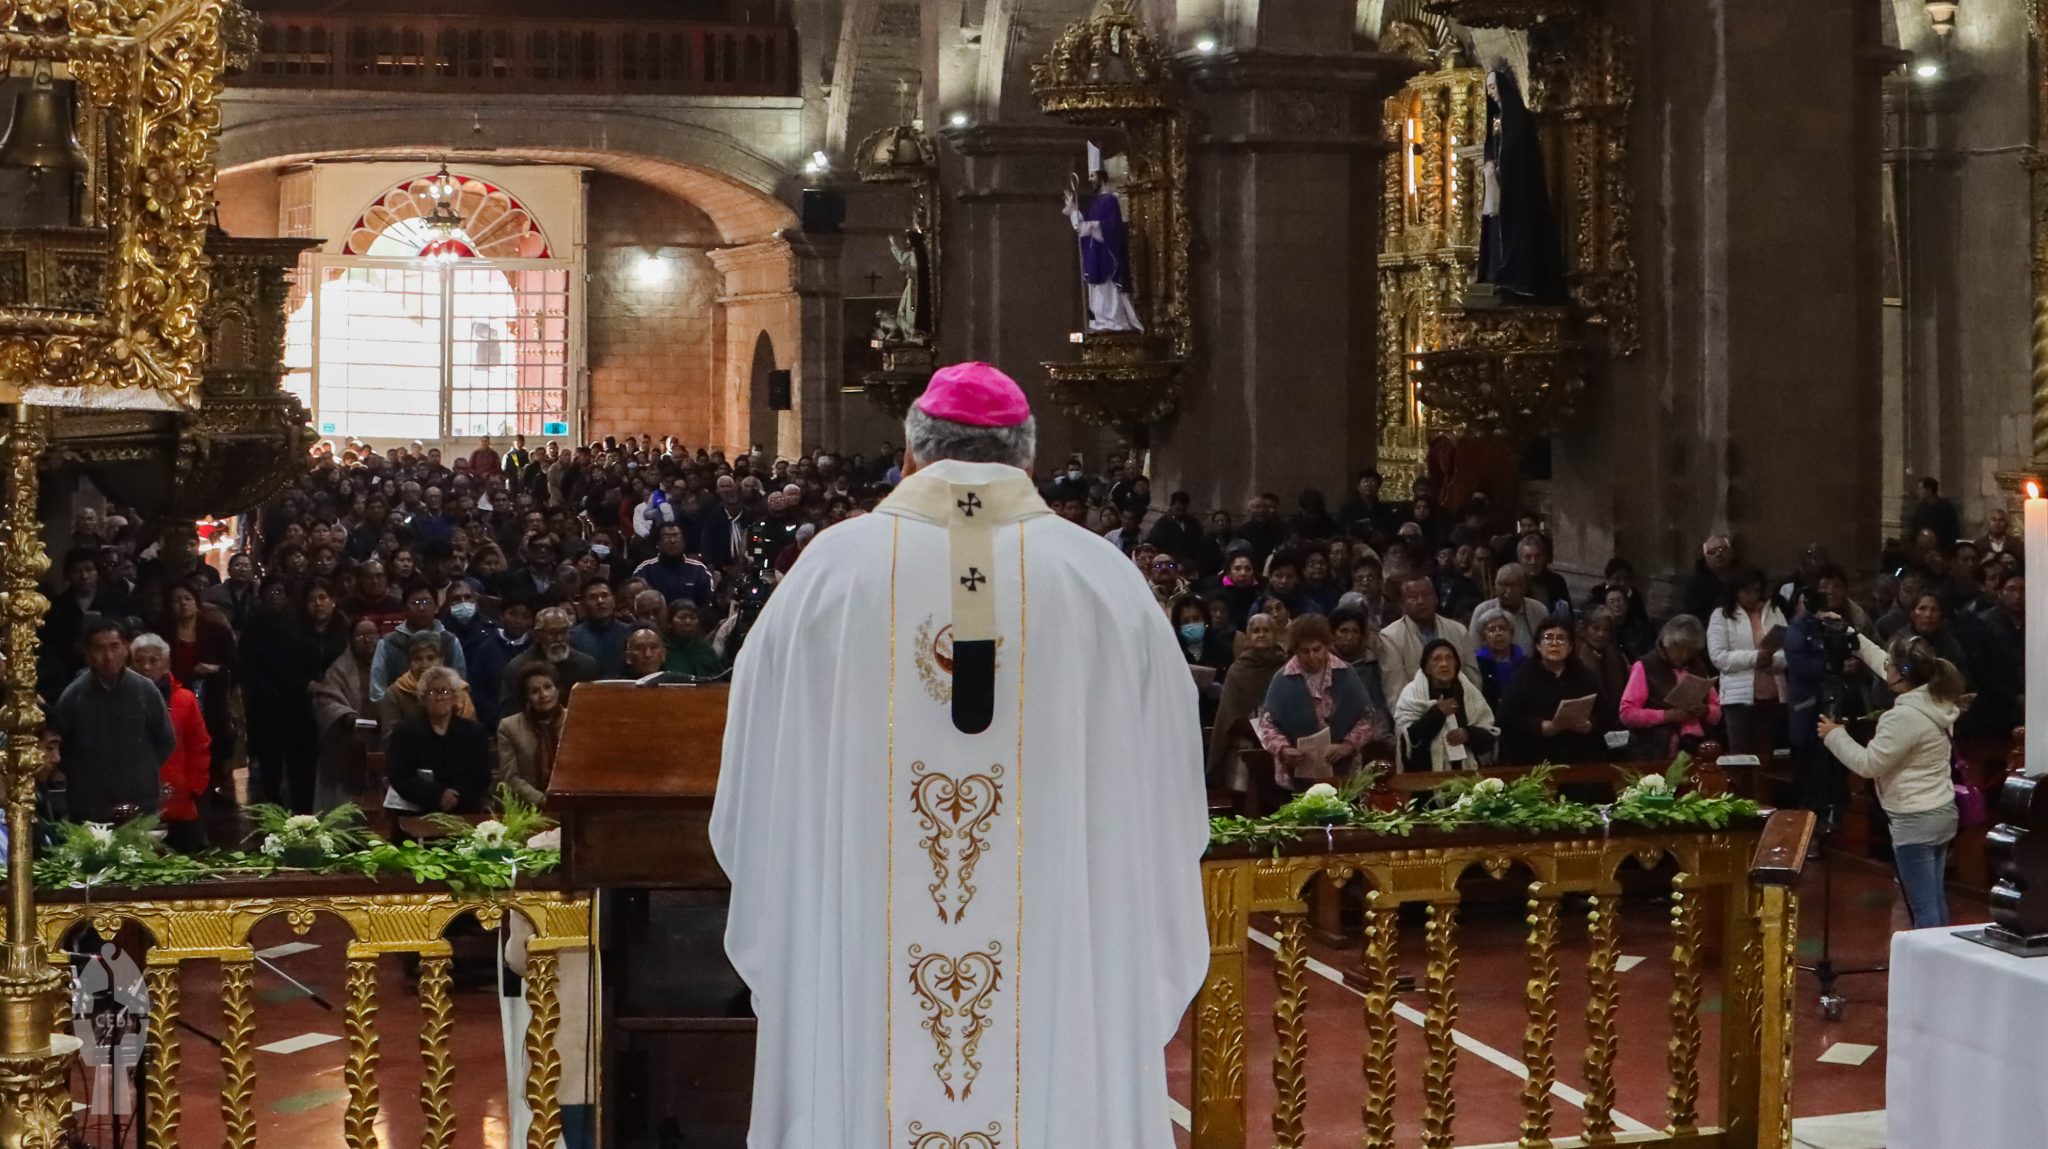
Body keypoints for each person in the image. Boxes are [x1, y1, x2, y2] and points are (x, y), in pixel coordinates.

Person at [711, 361, 1206, 1149]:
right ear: (1029, 461)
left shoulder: (828, 575)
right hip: (1057, 951)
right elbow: (1171, 797)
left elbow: (754, 789)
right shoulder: (1103, 580)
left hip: (864, 960)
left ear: (910, 456)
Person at [1819, 634, 1964, 928]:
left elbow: (1868, 765)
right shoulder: (1937, 698)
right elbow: (1891, 663)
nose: (1886, 668)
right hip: (1942, 812)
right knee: (1935, 898)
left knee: (1923, 906)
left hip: (1914, 820)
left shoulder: (1902, 717)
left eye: (1891, 666)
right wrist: (1854, 638)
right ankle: (1942, 966)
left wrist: (1834, 735)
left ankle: (1928, 972)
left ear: (1898, 673)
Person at [50, 620, 175, 824]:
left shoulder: (146, 690)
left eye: (114, 647)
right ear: (88, 653)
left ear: (126, 648)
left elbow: (165, 740)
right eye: (99, 649)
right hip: (89, 803)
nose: (108, 656)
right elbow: (61, 746)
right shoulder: (74, 695)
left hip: (140, 799)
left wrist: (140, 767)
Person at [1254, 615, 1378, 793]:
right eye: (1305, 651)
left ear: (1327, 646)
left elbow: (1368, 718)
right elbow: (1266, 726)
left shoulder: (1345, 673)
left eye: (1317, 649)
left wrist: (1347, 745)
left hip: (1342, 773)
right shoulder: (1283, 679)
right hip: (1297, 775)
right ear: (1295, 651)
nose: (1312, 656)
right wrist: (1283, 749)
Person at [126, 634, 210, 852]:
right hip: (136, 801)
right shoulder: (120, 701)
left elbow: (199, 745)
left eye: (153, 661)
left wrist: (193, 786)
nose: (146, 667)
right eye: (139, 661)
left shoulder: (185, 700)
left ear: (166, 665)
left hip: (179, 800)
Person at [385, 665, 492, 817]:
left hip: (464, 811)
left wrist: (454, 797)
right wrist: (437, 795)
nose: (439, 697)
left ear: (455, 697)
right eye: (432, 692)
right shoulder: (405, 732)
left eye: (445, 692)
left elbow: (482, 776)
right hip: (417, 812)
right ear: (423, 698)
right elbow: (400, 776)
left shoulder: (475, 732)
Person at [1707, 567, 1789, 761]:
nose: (1753, 596)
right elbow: (1718, 656)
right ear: (1735, 591)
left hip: (1772, 694)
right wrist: (1754, 658)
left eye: (1757, 590)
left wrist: (1771, 660)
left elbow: (1788, 649)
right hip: (1739, 697)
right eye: (1747, 591)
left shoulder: (1773, 611)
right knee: (1742, 757)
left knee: (1768, 757)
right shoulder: (1721, 615)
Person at [1499, 619, 1605, 765]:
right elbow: (1506, 719)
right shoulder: (1522, 678)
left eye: (1561, 639)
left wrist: (1590, 725)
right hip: (1535, 758)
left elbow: (1606, 713)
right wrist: (1540, 727)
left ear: (1570, 647)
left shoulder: (1585, 677)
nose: (1554, 643)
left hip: (1579, 757)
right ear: (1538, 645)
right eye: (1548, 638)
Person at [1620, 615, 1723, 759]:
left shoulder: (1699, 666)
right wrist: (1667, 715)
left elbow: (1716, 712)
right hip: (1657, 749)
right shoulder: (1645, 666)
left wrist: (1704, 711)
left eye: (1690, 650)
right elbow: (1627, 713)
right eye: (1679, 648)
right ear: (1667, 642)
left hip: (1696, 748)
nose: (1684, 655)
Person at [1064, 151, 1145, 332]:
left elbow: (1112, 228)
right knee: (1098, 295)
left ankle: (1114, 324)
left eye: (1092, 175)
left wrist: (1093, 226)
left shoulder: (1110, 200)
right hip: (1096, 256)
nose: (1090, 179)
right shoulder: (1096, 202)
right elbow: (1083, 229)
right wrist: (1074, 211)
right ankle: (1100, 323)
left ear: (1101, 176)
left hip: (1108, 256)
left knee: (1109, 294)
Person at [1393, 639, 1498, 772]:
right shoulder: (1412, 695)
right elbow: (1407, 741)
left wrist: (1469, 734)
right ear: (1427, 668)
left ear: (1456, 664)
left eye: (1449, 658)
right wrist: (1437, 714)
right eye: (1436, 659)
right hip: (1425, 779)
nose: (1444, 664)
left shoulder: (1469, 692)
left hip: (1467, 775)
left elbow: (1489, 737)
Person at [310, 619, 379, 812]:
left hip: (382, 739)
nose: (367, 640)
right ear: (351, 640)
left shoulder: (389, 665)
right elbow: (326, 701)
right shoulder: (338, 669)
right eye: (361, 636)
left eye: (372, 635)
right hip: (349, 742)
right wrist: (346, 715)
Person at [1379, 576, 1477, 703]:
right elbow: (1395, 691)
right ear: (1402, 604)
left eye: (1425, 595)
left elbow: (1473, 679)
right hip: (1416, 711)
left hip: (1461, 706)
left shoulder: (1458, 631)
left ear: (1436, 599)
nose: (1421, 601)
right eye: (1413, 597)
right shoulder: (1390, 637)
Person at [370, 584, 468, 701]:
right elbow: (377, 692)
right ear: (404, 608)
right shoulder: (387, 644)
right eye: (415, 603)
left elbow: (460, 686)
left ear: (437, 607)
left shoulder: (450, 642)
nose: (421, 608)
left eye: (426, 602)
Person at [495, 664, 565, 807]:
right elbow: (511, 778)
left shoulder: (576, 719)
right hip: (527, 809)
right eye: (534, 691)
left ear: (557, 690)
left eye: (548, 687)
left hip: (571, 805)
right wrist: (545, 801)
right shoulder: (509, 727)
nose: (543, 695)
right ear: (526, 697)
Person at [506, 607, 599, 699]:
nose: (559, 639)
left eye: (564, 632)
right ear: (537, 635)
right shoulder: (517, 668)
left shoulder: (586, 666)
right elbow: (510, 711)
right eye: (553, 633)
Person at [1473, 562, 1552, 651]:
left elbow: (1547, 645)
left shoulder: (1538, 610)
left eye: (1514, 585)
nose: (1508, 591)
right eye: (1503, 585)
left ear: (1524, 588)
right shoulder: (1482, 610)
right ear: (1495, 586)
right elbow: (1473, 649)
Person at [569, 579, 634, 678]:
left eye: (605, 595)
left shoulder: (630, 632)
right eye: (593, 597)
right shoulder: (572, 637)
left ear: (614, 600)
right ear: (582, 605)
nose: (600, 601)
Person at [1471, 608, 1526, 709]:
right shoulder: (1477, 665)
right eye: (1492, 630)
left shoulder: (1525, 664)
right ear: (1484, 638)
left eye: (1502, 628)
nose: (1498, 633)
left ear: (1512, 633)